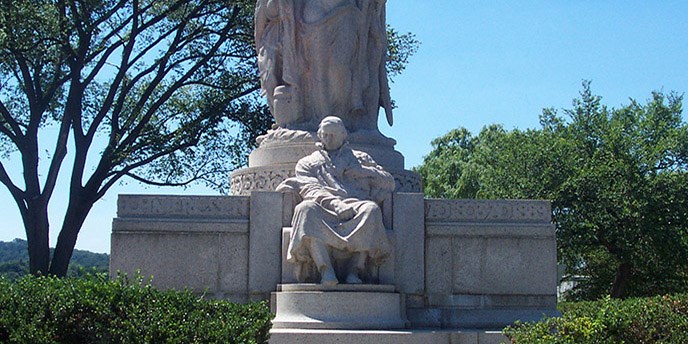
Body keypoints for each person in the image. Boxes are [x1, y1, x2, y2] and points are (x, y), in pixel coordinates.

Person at [277, 117, 395, 286]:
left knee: (371, 210)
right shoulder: (307, 163)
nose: (328, 139)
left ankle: (355, 271)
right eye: (325, 134)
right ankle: (326, 270)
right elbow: (311, 189)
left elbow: (389, 183)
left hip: (356, 205)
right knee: (305, 209)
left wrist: (365, 172)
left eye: (333, 135)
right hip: (324, 207)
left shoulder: (361, 159)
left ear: (343, 136)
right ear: (319, 135)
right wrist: (336, 205)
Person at [255, 0, 393, 133]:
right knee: (315, 71)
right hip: (314, 11)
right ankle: (323, 125)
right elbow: (269, 11)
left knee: (341, 68)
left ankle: (342, 124)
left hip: (347, 11)